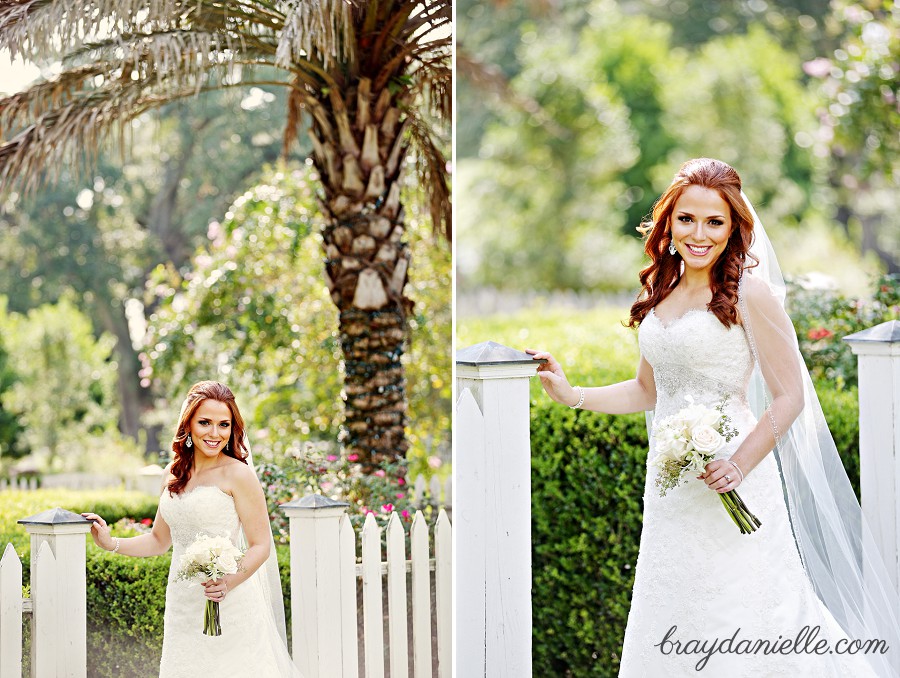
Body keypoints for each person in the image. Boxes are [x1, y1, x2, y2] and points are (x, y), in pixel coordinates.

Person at [527, 158, 900, 676]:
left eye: (714, 222)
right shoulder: (660, 291)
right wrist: (573, 395)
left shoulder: (752, 294)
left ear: (733, 227)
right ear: (668, 222)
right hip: (671, 490)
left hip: (737, 478)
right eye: (686, 219)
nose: (698, 234)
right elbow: (646, 389)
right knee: (672, 610)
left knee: (743, 616)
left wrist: (740, 465)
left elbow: (788, 395)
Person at [82, 380, 302, 678]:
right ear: (188, 425)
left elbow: (260, 544)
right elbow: (159, 541)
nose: (215, 433)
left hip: (229, 601)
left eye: (224, 424)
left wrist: (228, 582)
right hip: (182, 602)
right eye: (205, 423)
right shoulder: (172, 474)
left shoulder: (238, 475)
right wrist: (112, 544)